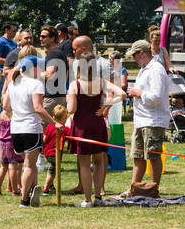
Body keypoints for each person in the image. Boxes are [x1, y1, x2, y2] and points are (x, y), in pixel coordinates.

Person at [64, 54, 126, 206]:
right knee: (99, 161)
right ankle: (98, 197)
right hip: (98, 124)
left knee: (84, 163)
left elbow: (71, 109)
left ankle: (87, 200)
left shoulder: (75, 84)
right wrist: (105, 105)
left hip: (81, 126)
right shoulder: (101, 82)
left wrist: (68, 100)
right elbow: (122, 94)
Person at [3, 53, 53, 207]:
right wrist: (54, 123)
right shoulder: (36, 84)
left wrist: (16, 115)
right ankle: (24, 200)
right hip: (31, 129)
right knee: (30, 166)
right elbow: (38, 108)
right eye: (39, 66)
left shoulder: (13, 83)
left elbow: (5, 107)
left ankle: (33, 190)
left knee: (29, 164)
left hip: (16, 130)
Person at [126, 39, 172, 192]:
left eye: (134, 55)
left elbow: (156, 97)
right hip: (141, 120)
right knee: (137, 156)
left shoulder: (156, 69)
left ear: (142, 53)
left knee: (153, 156)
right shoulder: (144, 68)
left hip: (153, 120)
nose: (133, 59)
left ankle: (153, 188)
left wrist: (138, 93)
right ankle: (134, 188)